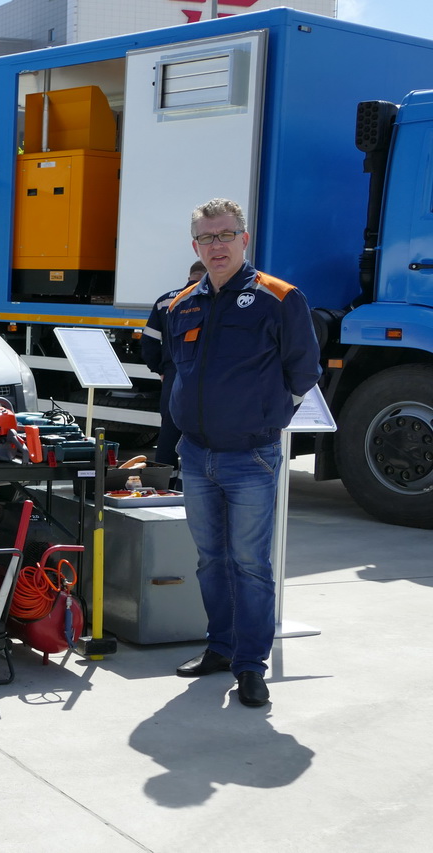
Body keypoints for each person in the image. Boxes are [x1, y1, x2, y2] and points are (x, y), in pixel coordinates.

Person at [164, 198, 321, 708]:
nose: (217, 245)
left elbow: (304, 370)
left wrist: (268, 416)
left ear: (244, 238)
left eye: (226, 234)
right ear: (195, 245)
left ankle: (251, 666)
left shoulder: (279, 297)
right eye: (207, 238)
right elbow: (178, 371)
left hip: (250, 457)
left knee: (250, 564)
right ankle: (220, 646)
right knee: (210, 561)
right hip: (196, 456)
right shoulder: (182, 304)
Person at [141, 261, 205, 470]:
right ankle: (192, 480)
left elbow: (148, 342)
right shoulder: (214, 298)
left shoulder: (165, 301)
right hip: (205, 374)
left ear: (189, 276)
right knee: (201, 432)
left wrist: (160, 369)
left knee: (169, 431)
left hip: (173, 373)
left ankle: (163, 480)